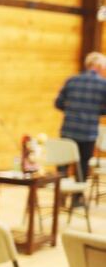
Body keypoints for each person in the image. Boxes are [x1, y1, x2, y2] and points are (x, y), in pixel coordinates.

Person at [55, 51, 106, 183]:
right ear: (99, 66)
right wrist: (95, 111)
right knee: (83, 164)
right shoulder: (103, 84)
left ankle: (59, 195)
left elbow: (58, 103)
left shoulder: (71, 80)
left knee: (62, 164)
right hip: (88, 133)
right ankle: (77, 197)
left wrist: (73, 110)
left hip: (68, 130)